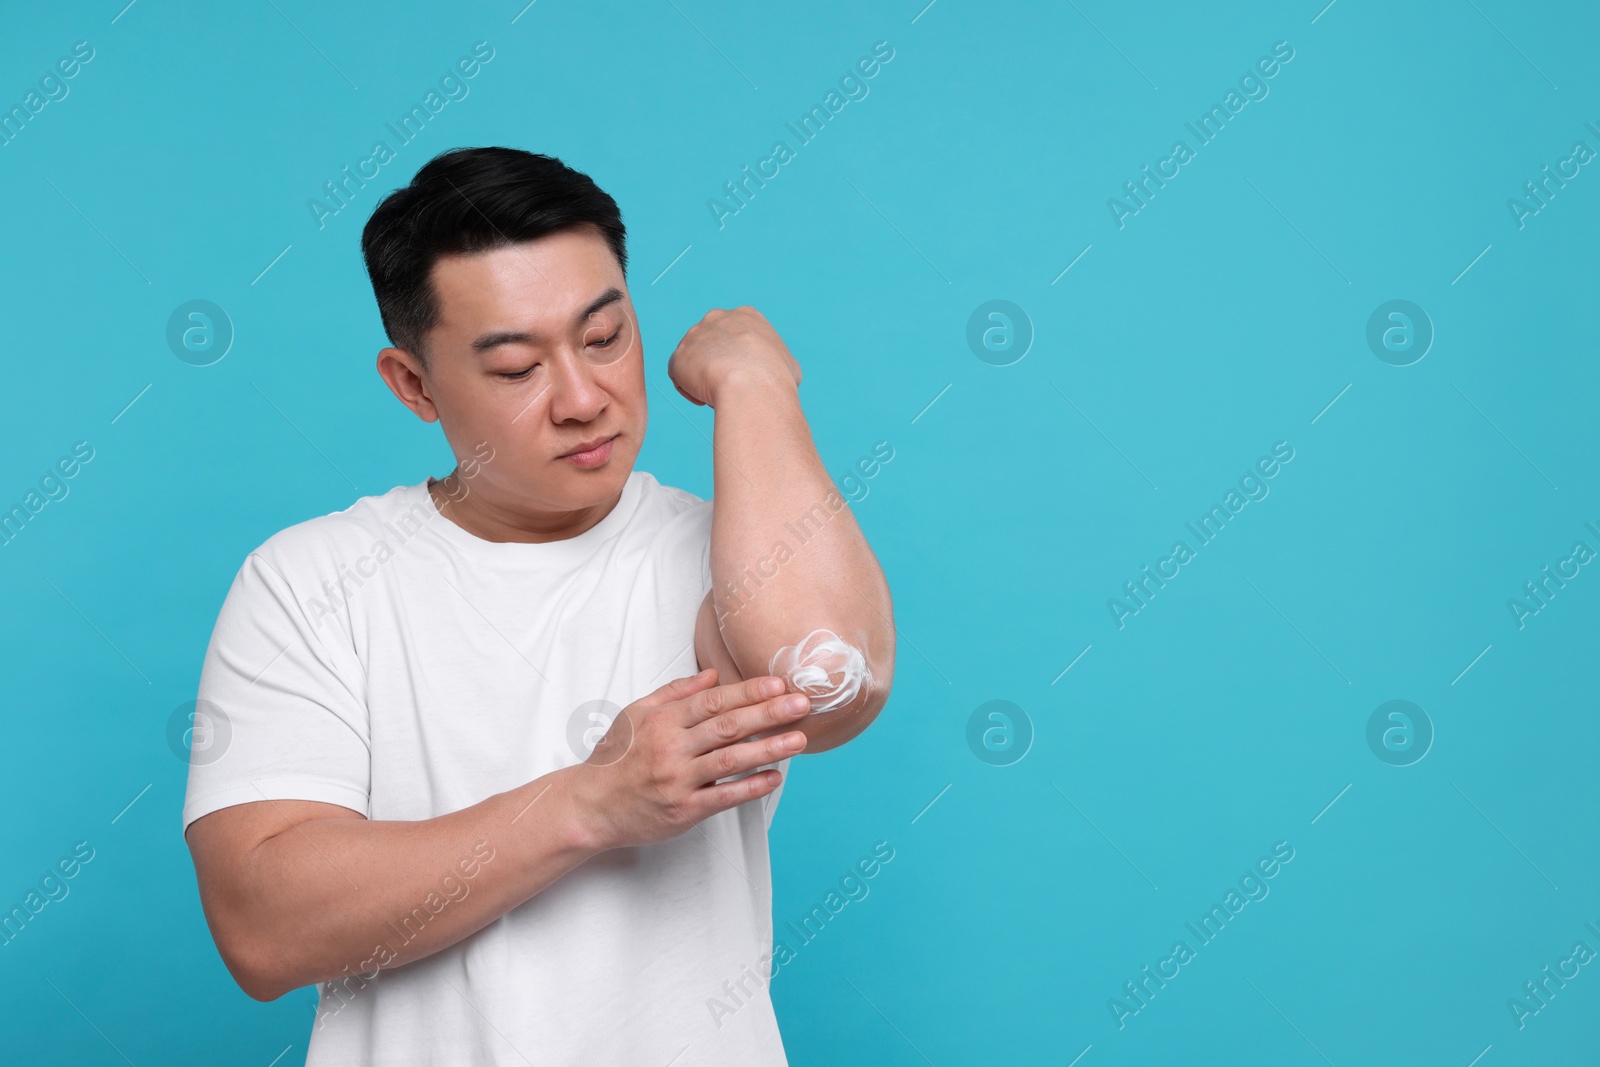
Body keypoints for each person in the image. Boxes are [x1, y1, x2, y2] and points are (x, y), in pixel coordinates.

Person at [180, 146, 895, 1066]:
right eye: (518, 367)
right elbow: (263, 928)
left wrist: (755, 384)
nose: (584, 398)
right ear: (414, 385)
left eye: (606, 338)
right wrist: (590, 803)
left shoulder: (721, 556)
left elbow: (828, 681)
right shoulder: (311, 579)